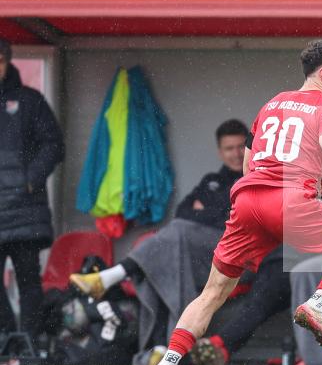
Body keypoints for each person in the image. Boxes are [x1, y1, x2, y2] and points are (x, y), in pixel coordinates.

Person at [149, 39, 322, 365]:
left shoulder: (272, 104)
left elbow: (250, 161)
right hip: (288, 203)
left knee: (213, 292)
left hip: (248, 200)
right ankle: (317, 305)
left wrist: (311, 179)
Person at [69, 119, 250, 307]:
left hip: (234, 261)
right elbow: (182, 211)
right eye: (229, 148)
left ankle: (112, 276)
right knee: (161, 264)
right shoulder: (211, 180)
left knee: (176, 235)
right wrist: (215, 212)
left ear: (250, 148)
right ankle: (160, 335)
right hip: (198, 257)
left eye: (240, 147)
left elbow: (229, 220)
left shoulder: (253, 180)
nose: (236, 154)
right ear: (220, 152)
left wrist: (205, 212)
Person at [0, 36, 64, 340]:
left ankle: (29, 345)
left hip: (25, 210)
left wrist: (30, 180)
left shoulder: (29, 100)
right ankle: (7, 339)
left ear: (7, 60)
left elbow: (54, 145)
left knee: (28, 281)